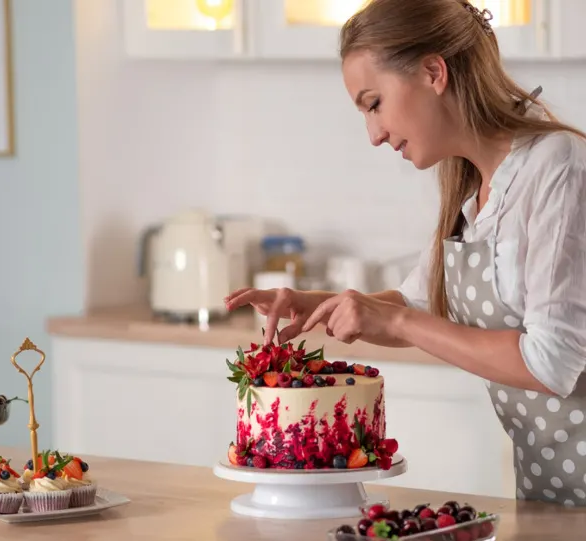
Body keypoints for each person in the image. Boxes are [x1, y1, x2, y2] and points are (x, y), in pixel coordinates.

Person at [224, 0, 586, 506]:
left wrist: (392, 324)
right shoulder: (472, 186)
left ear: (433, 71)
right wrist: (318, 304)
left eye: (374, 104)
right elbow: (417, 304)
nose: (373, 134)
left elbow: (552, 363)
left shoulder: (556, 165)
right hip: (550, 490)